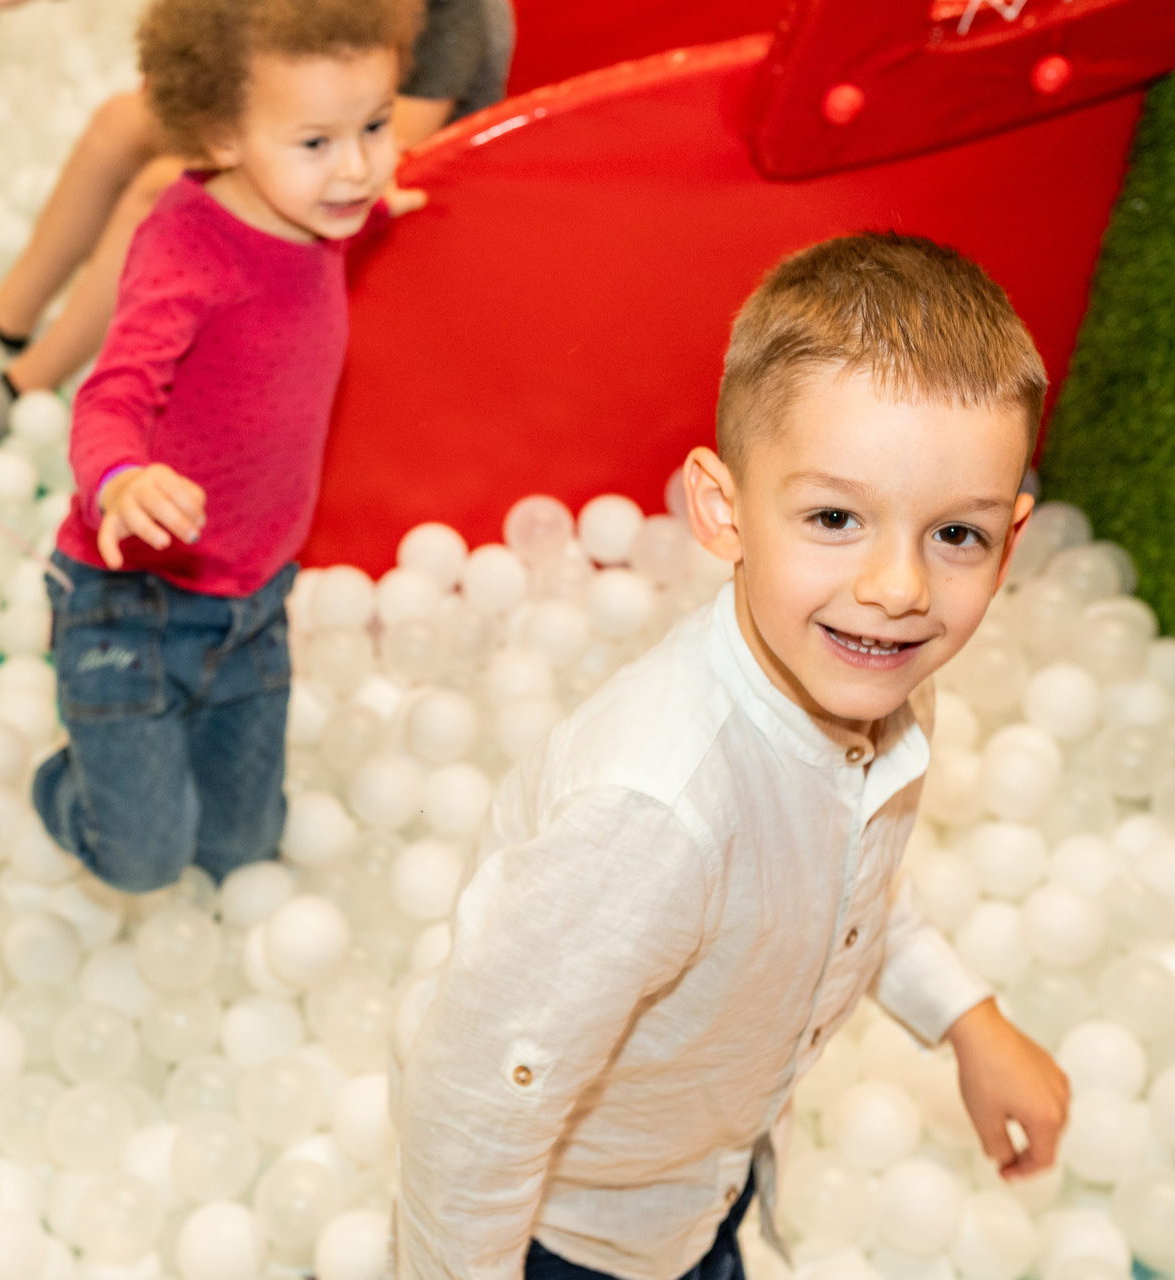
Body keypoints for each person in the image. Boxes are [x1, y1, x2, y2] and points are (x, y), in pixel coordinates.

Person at [393, 233, 1073, 1280]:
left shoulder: (873, 673)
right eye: (836, 517)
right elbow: (480, 1096)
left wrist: (965, 1016)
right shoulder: (658, 810)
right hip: (570, 1234)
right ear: (722, 511)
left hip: (708, 1178)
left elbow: (838, 879)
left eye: (956, 536)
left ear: (1011, 538)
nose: (899, 587)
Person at [29, 0, 425, 893]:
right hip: (133, 602)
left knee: (241, 849)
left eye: (375, 126)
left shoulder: (318, 210)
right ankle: (67, 782)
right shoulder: (187, 248)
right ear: (221, 133)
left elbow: (327, 220)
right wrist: (122, 480)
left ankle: (141, 774)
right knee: (145, 860)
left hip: (254, 595)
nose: (357, 166)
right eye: (316, 142)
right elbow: (110, 395)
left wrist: (372, 209)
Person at [0, 0, 512, 438]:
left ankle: (27, 385)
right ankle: (5, 320)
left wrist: (231, 144)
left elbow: (372, 156)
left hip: (380, 206)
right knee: (121, 124)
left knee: (166, 191)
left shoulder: (455, 14)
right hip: (303, 139)